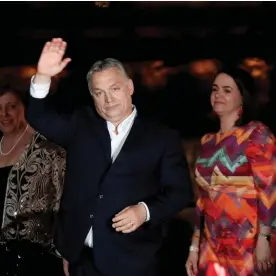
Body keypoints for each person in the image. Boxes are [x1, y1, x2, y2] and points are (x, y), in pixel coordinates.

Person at [26, 38, 193, 276]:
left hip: (133, 260)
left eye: (114, 89)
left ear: (130, 87)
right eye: (99, 93)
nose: (108, 99)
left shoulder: (161, 137)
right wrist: (42, 75)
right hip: (80, 259)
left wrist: (144, 211)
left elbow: (180, 192)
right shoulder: (80, 124)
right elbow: (39, 117)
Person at [185, 67, 276, 276]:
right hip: (212, 244)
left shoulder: (257, 134)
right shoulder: (207, 141)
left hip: (248, 242)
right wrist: (194, 247)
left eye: (227, 90)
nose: (218, 95)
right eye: (215, 89)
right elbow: (202, 201)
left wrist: (264, 238)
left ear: (242, 97)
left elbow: (269, 190)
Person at [0, 84, 66, 276]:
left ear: (25, 107)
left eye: (11, 106)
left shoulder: (49, 149)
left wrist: (64, 252)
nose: (4, 114)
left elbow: (63, 205)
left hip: (38, 259)